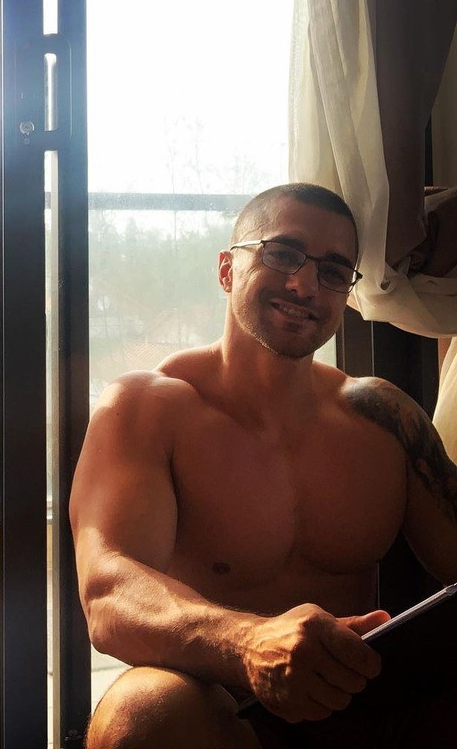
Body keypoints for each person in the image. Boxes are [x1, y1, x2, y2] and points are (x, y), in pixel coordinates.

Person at [69, 183, 457, 748]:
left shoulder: (385, 417)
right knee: (143, 711)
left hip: (364, 702)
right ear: (227, 270)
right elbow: (109, 592)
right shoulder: (146, 407)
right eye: (282, 254)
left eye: (333, 270)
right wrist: (247, 644)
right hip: (224, 708)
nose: (304, 284)